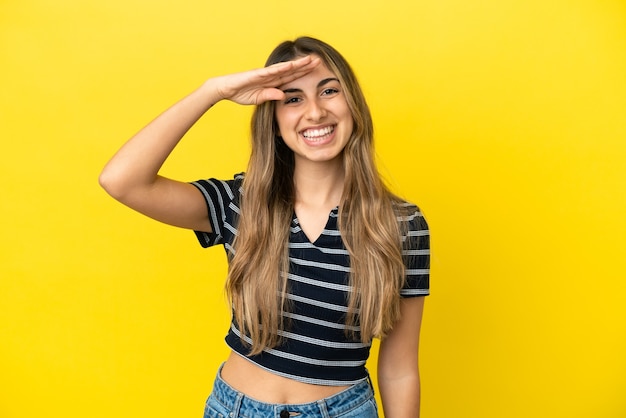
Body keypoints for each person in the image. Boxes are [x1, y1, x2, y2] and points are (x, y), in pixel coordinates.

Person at [100, 36, 430, 418]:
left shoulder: (402, 226)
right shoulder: (240, 202)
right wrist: (213, 91)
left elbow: (400, 369)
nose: (315, 111)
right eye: (293, 99)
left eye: (329, 91)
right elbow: (121, 180)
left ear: (353, 104)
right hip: (235, 409)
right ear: (273, 121)